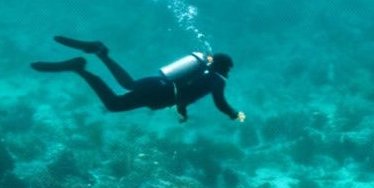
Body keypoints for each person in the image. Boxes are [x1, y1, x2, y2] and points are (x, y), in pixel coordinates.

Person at [31, 36, 245, 123]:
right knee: (114, 104)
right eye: (229, 70)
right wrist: (234, 114)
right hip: (161, 94)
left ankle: (96, 55)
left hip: (158, 83)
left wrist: (183, 111)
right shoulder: (217, 80)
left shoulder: (203, 71)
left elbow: (187, 92)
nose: (228, 74)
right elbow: (220, 103)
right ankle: (82, 67)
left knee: (127, 85)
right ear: (225, 68)